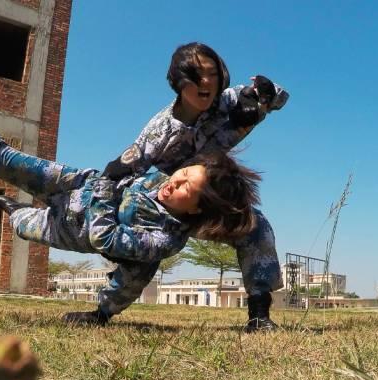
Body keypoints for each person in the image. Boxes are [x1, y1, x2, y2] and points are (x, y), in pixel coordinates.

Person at [0, 86, 261, 324]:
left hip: (69, 228)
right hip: (73, 183)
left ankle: (16, 213)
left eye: (185, 188)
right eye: (182, 174)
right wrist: (245, 114)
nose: (173, 182)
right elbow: (172, 134)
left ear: (195, 210)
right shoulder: (164, 178)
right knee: (3, 158)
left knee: (23, 225)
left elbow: (104, 238)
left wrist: (107, 187)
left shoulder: (163, 240)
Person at [100, 42, 290, 332]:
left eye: (212, 74)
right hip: (167, 204)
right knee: (147, 253)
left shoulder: (229, 100)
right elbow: (120, 172)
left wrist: (266, 93)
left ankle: (259, 316)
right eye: (195, 75)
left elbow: (280, 99)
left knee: (255, 226)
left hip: (203, 201)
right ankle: (101, 312)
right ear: (178, 82)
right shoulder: (160, 130)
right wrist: (115, 224)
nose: (205, 82)